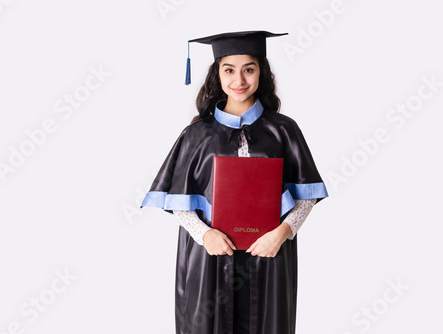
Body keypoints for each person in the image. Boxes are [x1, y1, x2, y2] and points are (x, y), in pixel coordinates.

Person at [140, 31, 328, 334]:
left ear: (261, 73)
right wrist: (205, 236)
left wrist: (282, 233)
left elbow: (306, 196)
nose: (239, 79)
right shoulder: (197, 134)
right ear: (217, 74)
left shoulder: (284, 130)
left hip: (269, 252)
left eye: (249, 69)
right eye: (229, 69)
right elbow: (180, 203)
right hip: (210, 254)